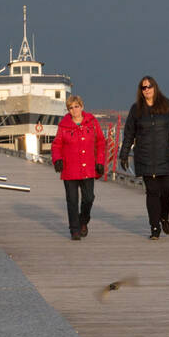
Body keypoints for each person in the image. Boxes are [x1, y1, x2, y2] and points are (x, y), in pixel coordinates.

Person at [119, 76, 169, 238]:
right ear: (140, 91)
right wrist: (124, 154)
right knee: (153, 192)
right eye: (143, 88)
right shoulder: (136, 109)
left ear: (155, 87)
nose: (146, 90)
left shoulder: (167, 105)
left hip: (167, 156)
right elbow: (129, 133)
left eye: (149, 86)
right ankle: (154, 228)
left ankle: (164, 217)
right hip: (145, 157)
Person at [52, 96, 106, 240]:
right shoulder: (63, 126)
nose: (74, 110)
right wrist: (57, 159)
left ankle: (83, 221)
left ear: (82, 107)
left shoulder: (92, 122)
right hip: (70, 169)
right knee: (72, 200)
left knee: (88, 198)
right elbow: (57, 145)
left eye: (76, 106)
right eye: (71, 108)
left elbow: (101, 142)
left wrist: (100, 161)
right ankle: (74, 230)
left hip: (88, 168)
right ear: (68, 110)